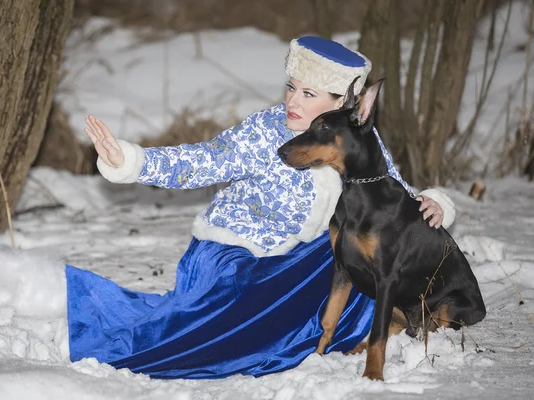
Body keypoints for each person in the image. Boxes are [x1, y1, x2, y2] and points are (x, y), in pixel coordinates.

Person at [70, 36, 456, 379]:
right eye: (291, 87)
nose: (291, 100)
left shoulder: (354, 137)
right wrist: (129, 161)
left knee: (356, 253)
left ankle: (340, 327)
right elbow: (202, 160)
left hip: (299, 261)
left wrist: (432, 202)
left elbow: (392, 189)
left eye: (308, 94)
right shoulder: (264, 131)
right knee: (233, 318)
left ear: (342, 103)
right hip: (238, 255)